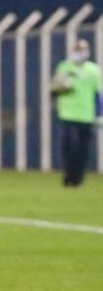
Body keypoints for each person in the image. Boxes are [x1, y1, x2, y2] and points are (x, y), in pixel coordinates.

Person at [51, 39, 102, 187]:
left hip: (87, 116)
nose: (81, 53)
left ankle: (78, 179)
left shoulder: (94, 70)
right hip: (68, 114)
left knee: (83, 150)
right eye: (78, 50)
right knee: (70, 147)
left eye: (83, 50)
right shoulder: (64, 67)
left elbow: (98, 94)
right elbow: (55, 89)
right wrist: (60, 87)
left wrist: (100, 114)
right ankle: (69, 176)